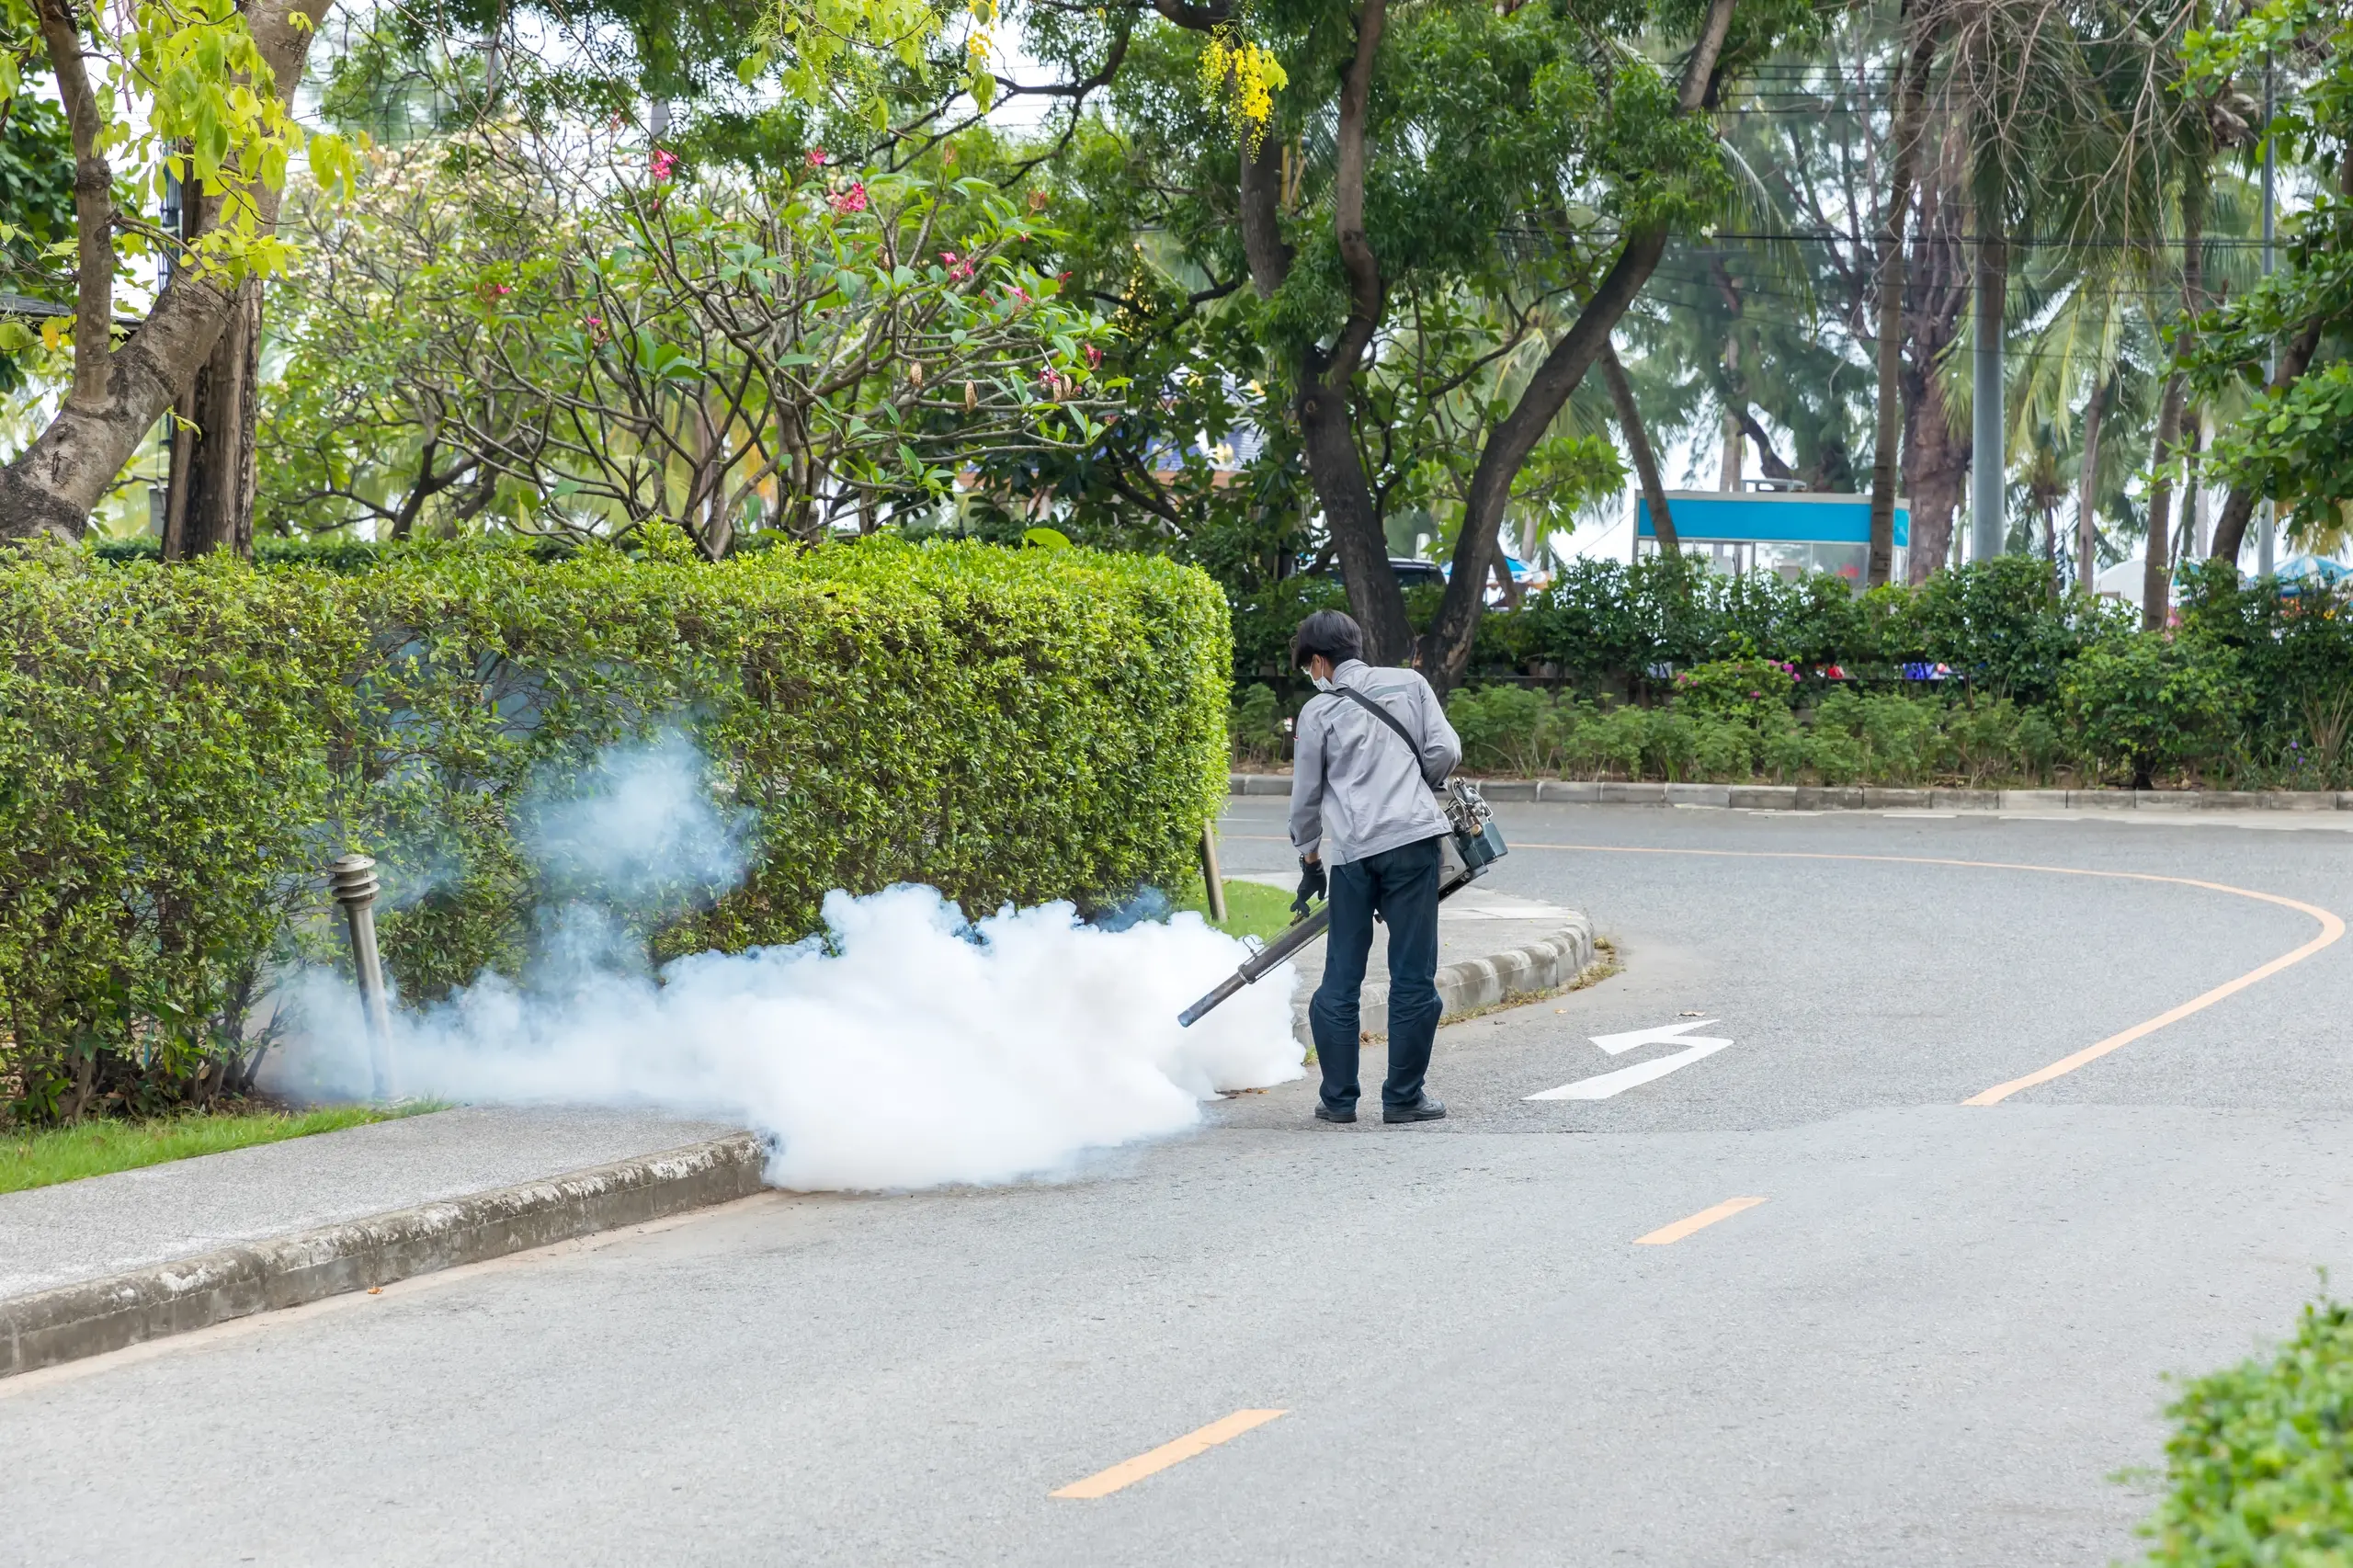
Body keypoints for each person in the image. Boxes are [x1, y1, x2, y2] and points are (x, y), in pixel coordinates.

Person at [1286, 608, 1462, 1125]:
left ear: (1320, 661)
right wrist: (1411, 786)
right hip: (1412, 843)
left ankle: (1339, 1102)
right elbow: (1444, 750)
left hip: (1351, 855)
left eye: (1310, 666)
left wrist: (1310, 854)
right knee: (1413, 974)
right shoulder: (1410, 684)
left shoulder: (1318, 714)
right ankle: (1404, 1098)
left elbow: (1305, 801)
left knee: (1341, 975)